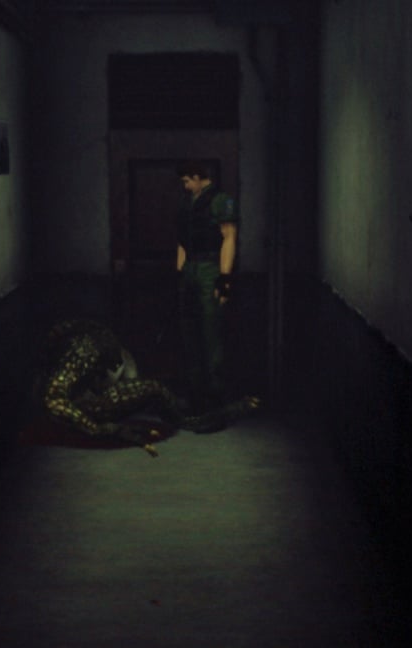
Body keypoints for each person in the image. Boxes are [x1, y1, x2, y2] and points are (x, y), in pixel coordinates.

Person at [35, 319, 259, 455]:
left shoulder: (95, 341)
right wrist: (100, 429)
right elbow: (53, 400)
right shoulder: (85, 350)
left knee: (156, 391)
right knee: (155, 390)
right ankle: (195, 417)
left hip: (85, 382)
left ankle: (198, 416)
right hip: (78, 400)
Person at [176, 161, 239, 414]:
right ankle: (196, 394)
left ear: (198, 177)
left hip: (210, 267)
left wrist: (224, 278)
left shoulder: (220, 201)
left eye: (186, 181)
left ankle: (215, 397)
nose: (185, 186)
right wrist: (180, 272)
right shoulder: (187, 203)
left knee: (211, 332)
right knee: (189, 332)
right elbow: (182, 241)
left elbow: (229, 237)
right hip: (190, 268)